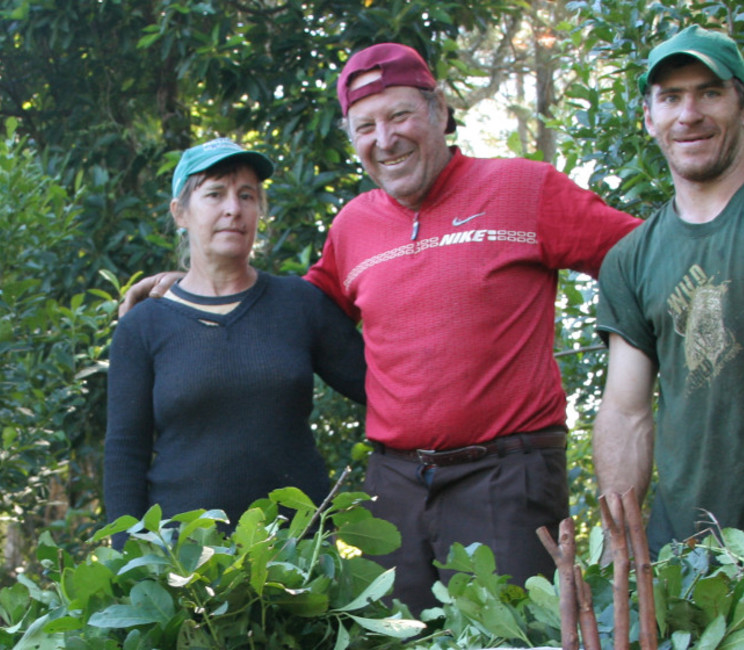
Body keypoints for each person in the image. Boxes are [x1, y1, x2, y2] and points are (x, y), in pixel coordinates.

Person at [121, 44, 640, 612]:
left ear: (439, 112)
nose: (384, 139)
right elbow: (278, 315)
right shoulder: (353, 227)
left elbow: (643, 258)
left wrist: (635, 369)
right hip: (395, 489)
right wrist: (195, 285)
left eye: (399, 116)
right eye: (365, 126)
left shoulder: (526, 188)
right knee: (391, 635)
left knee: (511, 635)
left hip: (505, 476)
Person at [103, 138, 367, 549]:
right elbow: (124, 454)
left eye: (247, 195)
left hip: (297, 557)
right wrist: (128, 562)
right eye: (214, 194)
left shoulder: (300, 304)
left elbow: (382, 386)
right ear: (180, 213)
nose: (233, 208)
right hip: (187, 564)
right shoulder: (143, 327)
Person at [593, 25, 744, 554]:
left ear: (740, 104)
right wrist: (621, 545)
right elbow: (626, 413)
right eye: (671, 97)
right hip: (689, 552)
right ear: (649, 118)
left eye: (710, 92)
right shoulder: (631, 260)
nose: (690, 115)